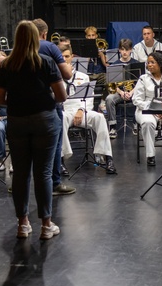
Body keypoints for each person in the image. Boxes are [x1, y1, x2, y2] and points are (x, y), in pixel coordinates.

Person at [0, 20, 67, 240]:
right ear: (36, 38)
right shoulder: (45, 62)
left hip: (17, 121)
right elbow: (61, 96)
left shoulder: (6, 65)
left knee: (21, 174)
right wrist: (42, 99)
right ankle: (46, 225)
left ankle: (23, 224)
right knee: (43, 173)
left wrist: (19, 102)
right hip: (45, 120)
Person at [32, 18, 75, 196]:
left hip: (25, 104)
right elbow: (67, 74)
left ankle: (24, 184)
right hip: (49, 100)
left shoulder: (18, 50)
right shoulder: (49, 47)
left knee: (28, 145)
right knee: (54, 144)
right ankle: (55, 183)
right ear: (44, 33)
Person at [59, 46, 115, 174]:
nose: (64, 59)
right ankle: (61, 160)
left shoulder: (83, 76)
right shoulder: (55, 76)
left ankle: (107, 157)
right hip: (65, 110)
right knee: (59, 119)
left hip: (82, 110)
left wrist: (80, 110)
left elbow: (89, 98)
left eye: (67, 56)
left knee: (100, 117)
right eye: (61, 57)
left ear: (72, 57)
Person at [132, 53, 162, 168]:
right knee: (148, 122)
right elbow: (136, 100)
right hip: (147, 109)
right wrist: (153, 108)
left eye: (152, 62)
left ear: (160, 64)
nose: (149, 65)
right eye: (148, 62)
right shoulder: (143, 79)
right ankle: (150, 156)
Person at [103, 38, 137, 138]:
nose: (125, 52)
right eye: (122, 50)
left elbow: (140, 82)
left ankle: (136, 124)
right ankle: (112, 126)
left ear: (131, 50)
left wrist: (131, 93)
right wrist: (121, 92)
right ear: (119, 50)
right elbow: (111, 84)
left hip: (133, 92)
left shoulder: (136, 63)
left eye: (127, 50)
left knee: (140, 98)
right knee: (109, 99)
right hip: (119, 92)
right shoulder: (114, 65)